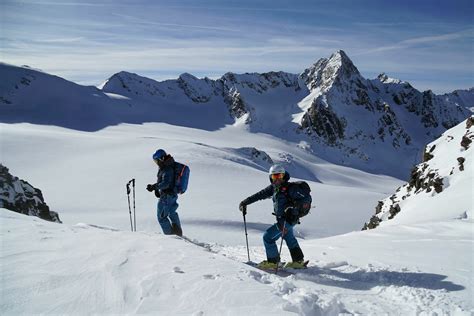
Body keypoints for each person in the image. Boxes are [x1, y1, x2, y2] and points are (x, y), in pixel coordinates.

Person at [239, 164, 305, 269]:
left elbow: (302, 202)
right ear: (271, 177)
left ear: (284, 176)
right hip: (287, 220)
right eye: (275, 176)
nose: (277, 179)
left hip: (287, 220)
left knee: (268, 237)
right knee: (289, 238)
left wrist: (292, 209)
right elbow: (260, 194)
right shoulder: (274, 188)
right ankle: (298, 261)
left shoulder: (290, 188)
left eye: (280, 176)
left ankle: (273, 262)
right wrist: (246, 202)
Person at [146, 149, 183, 236]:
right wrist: (157, 190)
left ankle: (170, 237)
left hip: (167, 197)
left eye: (156, 160)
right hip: (171, 194)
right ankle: (178, 233)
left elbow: (166, 183)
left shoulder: (167, 169)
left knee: (161, 217)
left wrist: (154, 187)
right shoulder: (169, 166)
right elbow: (166, 182)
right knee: (172, 212)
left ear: (161, 159)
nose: (156, 163)